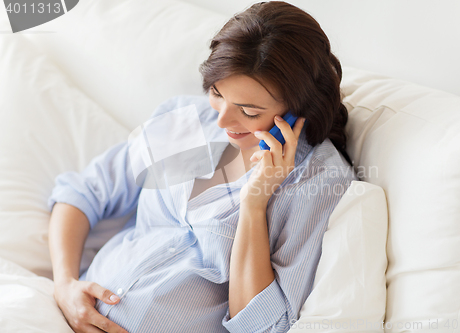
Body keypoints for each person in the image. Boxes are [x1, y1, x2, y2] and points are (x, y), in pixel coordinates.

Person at [47, 1, 358, 332]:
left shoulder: (317, 180)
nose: (223, 118)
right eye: (217, 93)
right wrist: (64, 284)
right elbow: (82, 192)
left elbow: (264, 325)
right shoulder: (186, 120)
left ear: (300, 107)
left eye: (249, 111)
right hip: (62, 315)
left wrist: (254, 205)